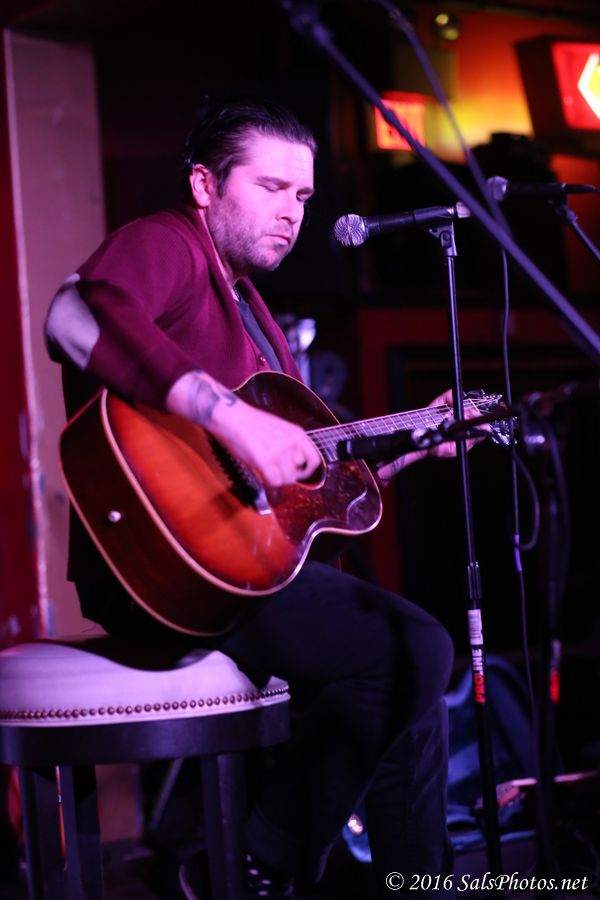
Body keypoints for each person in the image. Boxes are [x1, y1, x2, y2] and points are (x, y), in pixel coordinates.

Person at [45, 97, 465, 899]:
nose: (292, 212)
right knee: (413, 647)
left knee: (407, 662)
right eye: (270, 188)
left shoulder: (255, 315)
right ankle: (250, 861)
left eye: (302, 196)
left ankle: (413, 883)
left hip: (239, 557)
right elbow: (73, 315)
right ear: (205, 185)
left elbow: (296, 486)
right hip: (158, 563)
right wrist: (231, 417)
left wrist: (412, 444)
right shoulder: (165, 241)